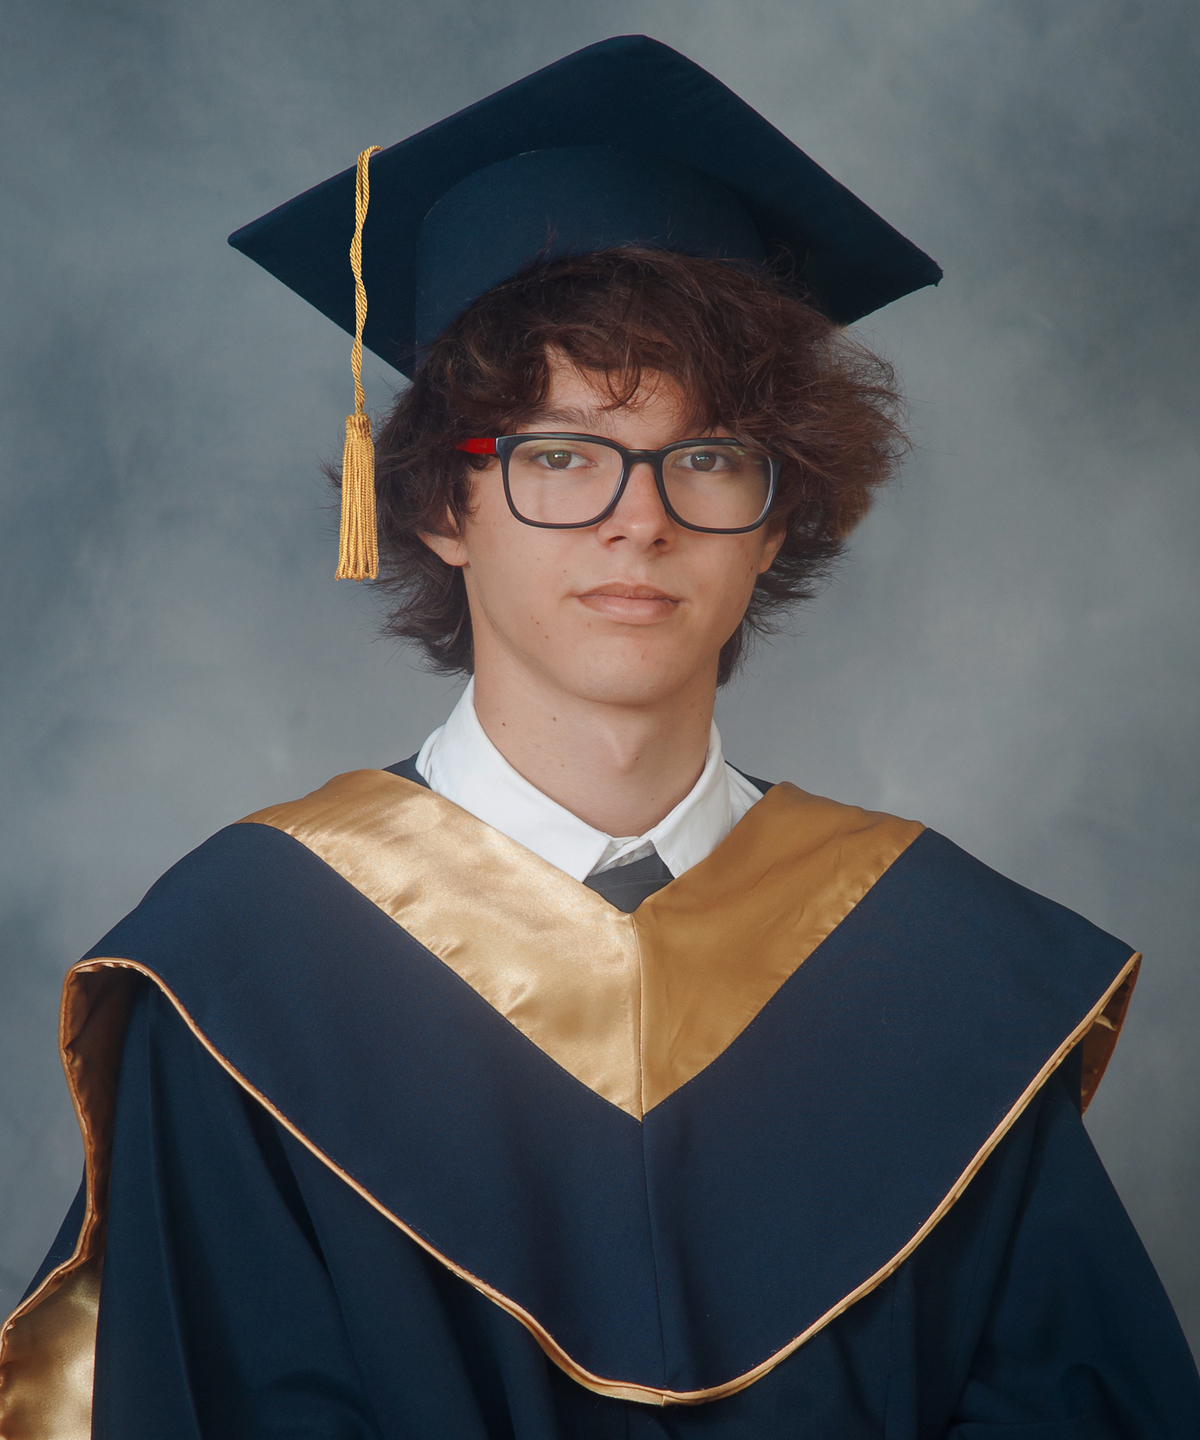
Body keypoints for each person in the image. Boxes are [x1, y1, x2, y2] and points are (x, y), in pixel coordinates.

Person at [2, 34, 1198, 1440]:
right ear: (442, 510)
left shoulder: (951, 979)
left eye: (708, 459)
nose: (642, 518)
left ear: (776, 525)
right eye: (558, 454)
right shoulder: (243, 974)